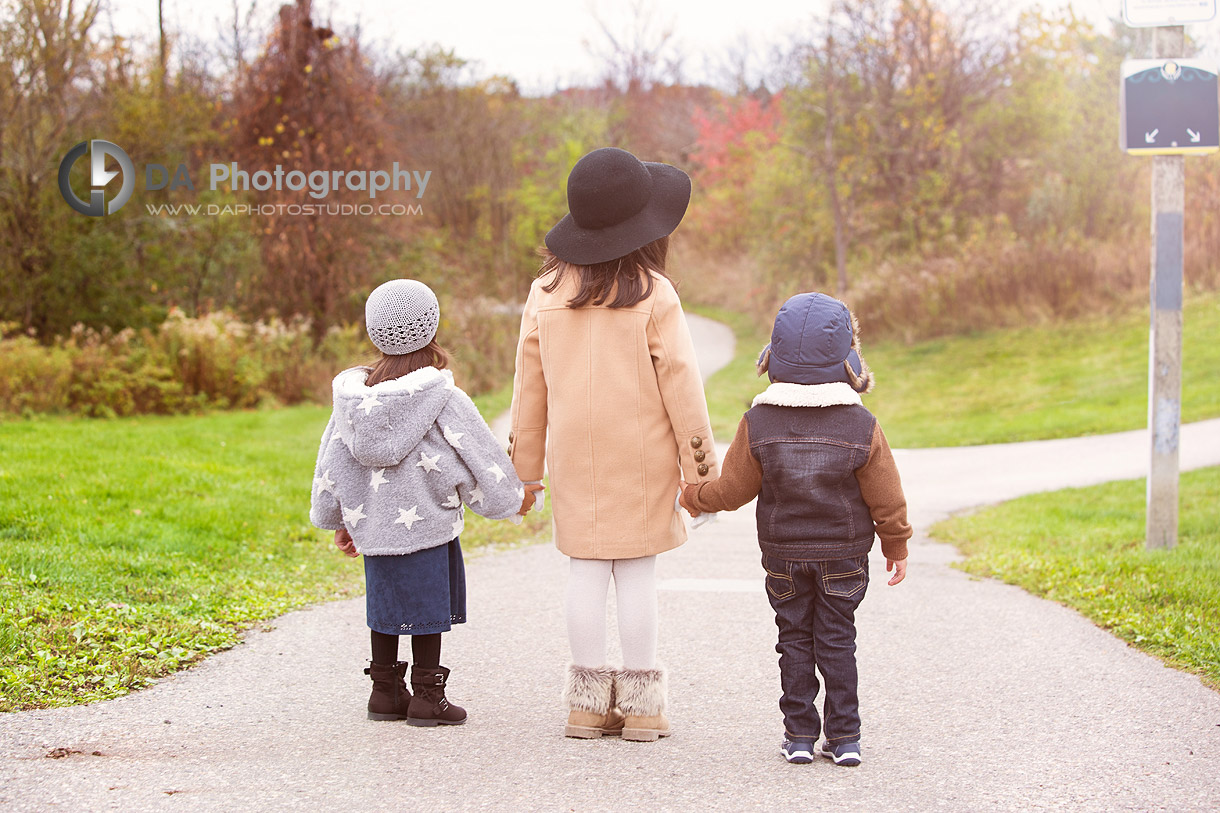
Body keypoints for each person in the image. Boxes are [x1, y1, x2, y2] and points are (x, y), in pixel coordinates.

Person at [509, 147, 718, 742]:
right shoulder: (654, 293)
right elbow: (683, 388)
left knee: (585, 571)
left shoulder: (544, 292)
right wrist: (700, 472)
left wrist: (523, 473)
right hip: (644, 460)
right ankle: (644, 709)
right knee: (637, 576)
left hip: (574, 460)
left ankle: (586, 706)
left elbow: (530, 392)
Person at [679, 292, 910, 767]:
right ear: (848, 360)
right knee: (837, 639)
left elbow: (732, 492)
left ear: (774, 357)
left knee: (794, 639)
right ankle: (845, 739)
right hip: (844, 558)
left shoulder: (758, 421)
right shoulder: (861, 424)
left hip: (783, 557)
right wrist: (896, 543)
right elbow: (886, 496)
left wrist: (691, 495)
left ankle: (799, 736)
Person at [310, 279, 541, 726]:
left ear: (373, 332)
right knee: (427, 610)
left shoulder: (355, 402)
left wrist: (341, 518)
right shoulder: (442, 397)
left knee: (385, 606)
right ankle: (427, 697)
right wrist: (514, 498)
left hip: (375, 526)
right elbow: (478, 453)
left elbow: (334, 460)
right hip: (427, 526)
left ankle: (384, 692)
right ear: (431, 329)